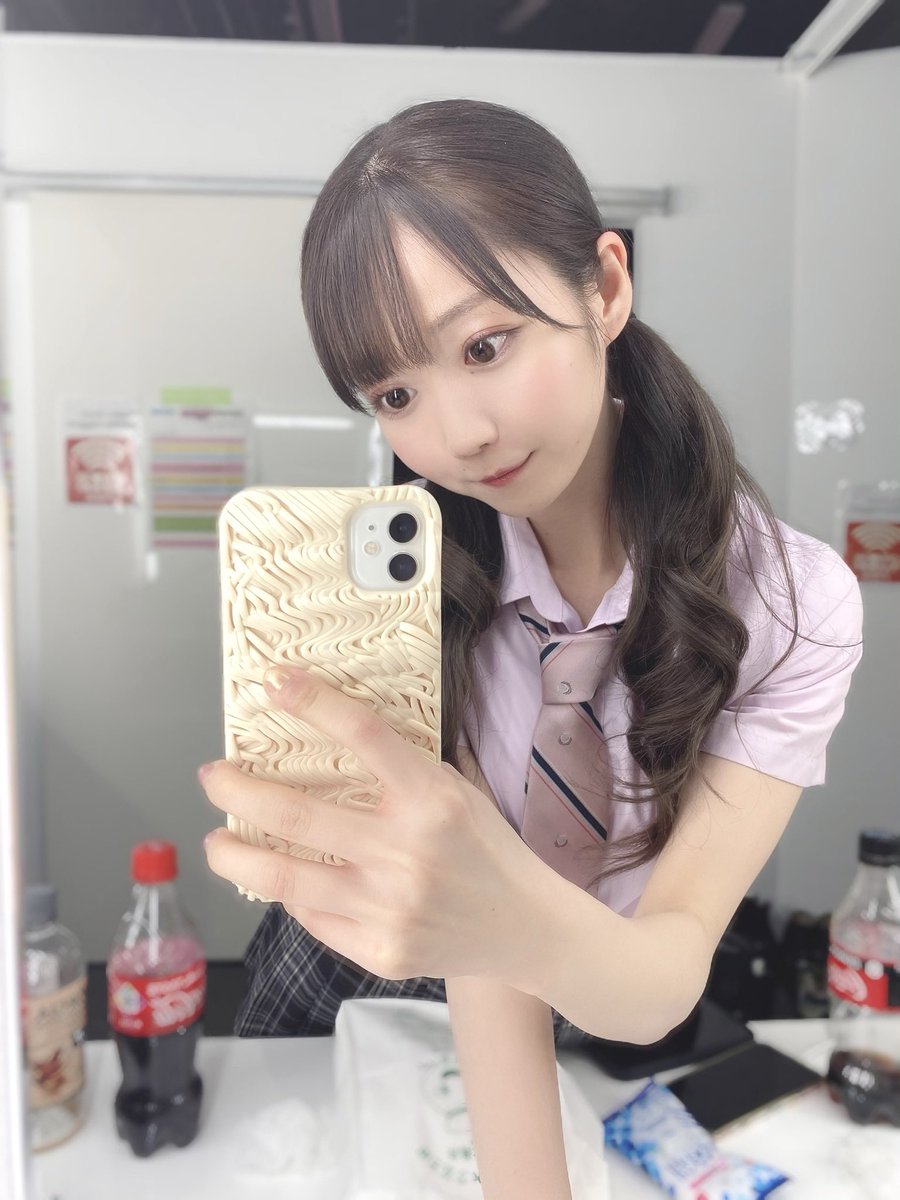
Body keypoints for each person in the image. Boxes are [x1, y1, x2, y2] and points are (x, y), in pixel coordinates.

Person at [200, 99, 863, 1197]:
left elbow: (663, 968)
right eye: (396, 392)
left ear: (603, 287)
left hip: (597, 978)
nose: (458, 435)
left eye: (486, 345)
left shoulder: (790, 604)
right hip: (349, 976)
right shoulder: (418, 595)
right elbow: (481, 967)